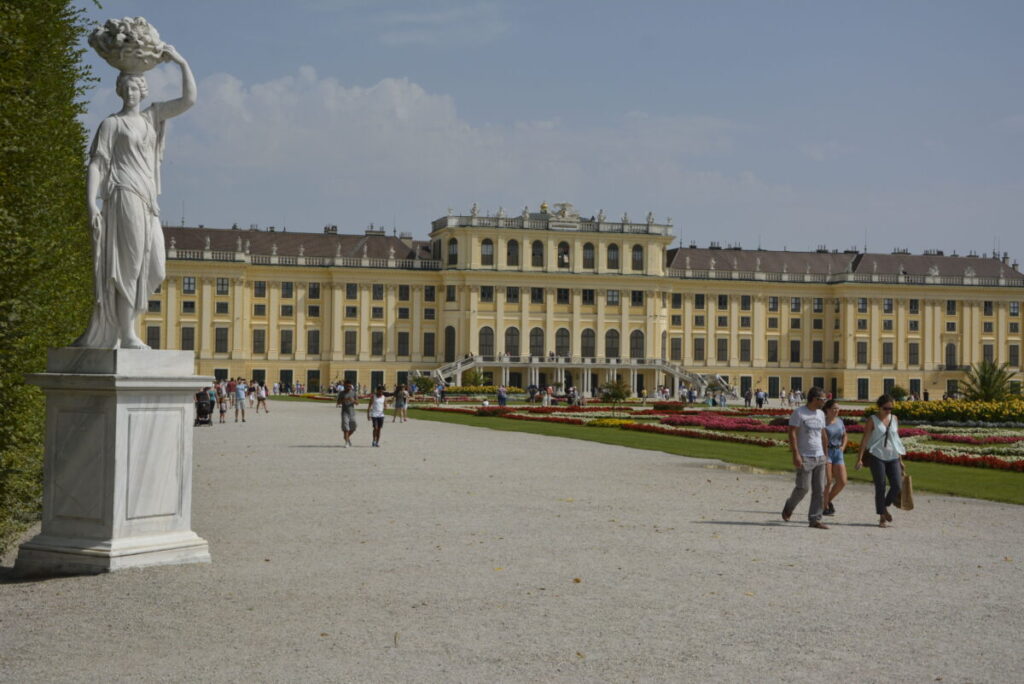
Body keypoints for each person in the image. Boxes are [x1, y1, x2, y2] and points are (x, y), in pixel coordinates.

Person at [72, 45, 195, 349]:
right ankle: (126, 334)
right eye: (125, 88)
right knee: (128, 265)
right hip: (123, 193)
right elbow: (97, 164)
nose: (131, 93)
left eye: (135, 88)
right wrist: (91, 203)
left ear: (143, 91)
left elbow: (188, 100)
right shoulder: (111, 124)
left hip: (148, 199)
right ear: (120, 91)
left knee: (154, 266)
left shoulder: (153, 116)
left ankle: (126, 330)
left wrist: (180, 61)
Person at [781, 386, 830, 529]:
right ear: (815, 399)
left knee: (819, 490)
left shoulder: (821, 414)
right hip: (805, 456)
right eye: (823, 399)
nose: (824, 401)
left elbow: (822, 434)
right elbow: (792, 433)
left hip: (819, 455)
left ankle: (815, 519)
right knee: (803, 488)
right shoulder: (799, 413)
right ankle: (789, 506)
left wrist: (825, 454)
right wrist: (796, 453)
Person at [856, 395, 907, 528]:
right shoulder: (872, 420)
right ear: (879, 407)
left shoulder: (894, 419)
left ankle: (884, 506)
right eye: (886, 408)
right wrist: (859, 458)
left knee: (897, 485)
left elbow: (896, 440)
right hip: (876, 456)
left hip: (893, 456)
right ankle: (882, 517)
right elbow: (865, 440)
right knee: (881, 485)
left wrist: (900, 460)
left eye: (891, 408)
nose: (888, 411)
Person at [822, 399, 848, 516]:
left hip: (838, 452)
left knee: (842, 481)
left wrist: (843, 446)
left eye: (838, 408)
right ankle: (825, 506)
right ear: (827, 410)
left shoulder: (839, 421)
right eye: (834, 408)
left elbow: (845, 436)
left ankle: (826, 501)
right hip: (826, 452)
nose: (837, 410)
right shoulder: (822, 422)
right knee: (828, 481)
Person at [336, 379, 358, 447]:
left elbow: (357, 403)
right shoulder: (341, 393)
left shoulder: (353, 393)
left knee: (354, 427)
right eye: (347, 386)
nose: (348, 387)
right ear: (344, 386)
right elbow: (338, 403)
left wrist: (353, 400)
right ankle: (346, 442)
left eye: (349, 386)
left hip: (352, 412)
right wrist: (344, 400)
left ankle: (346, 437)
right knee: (346, 428)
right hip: (344, 412)